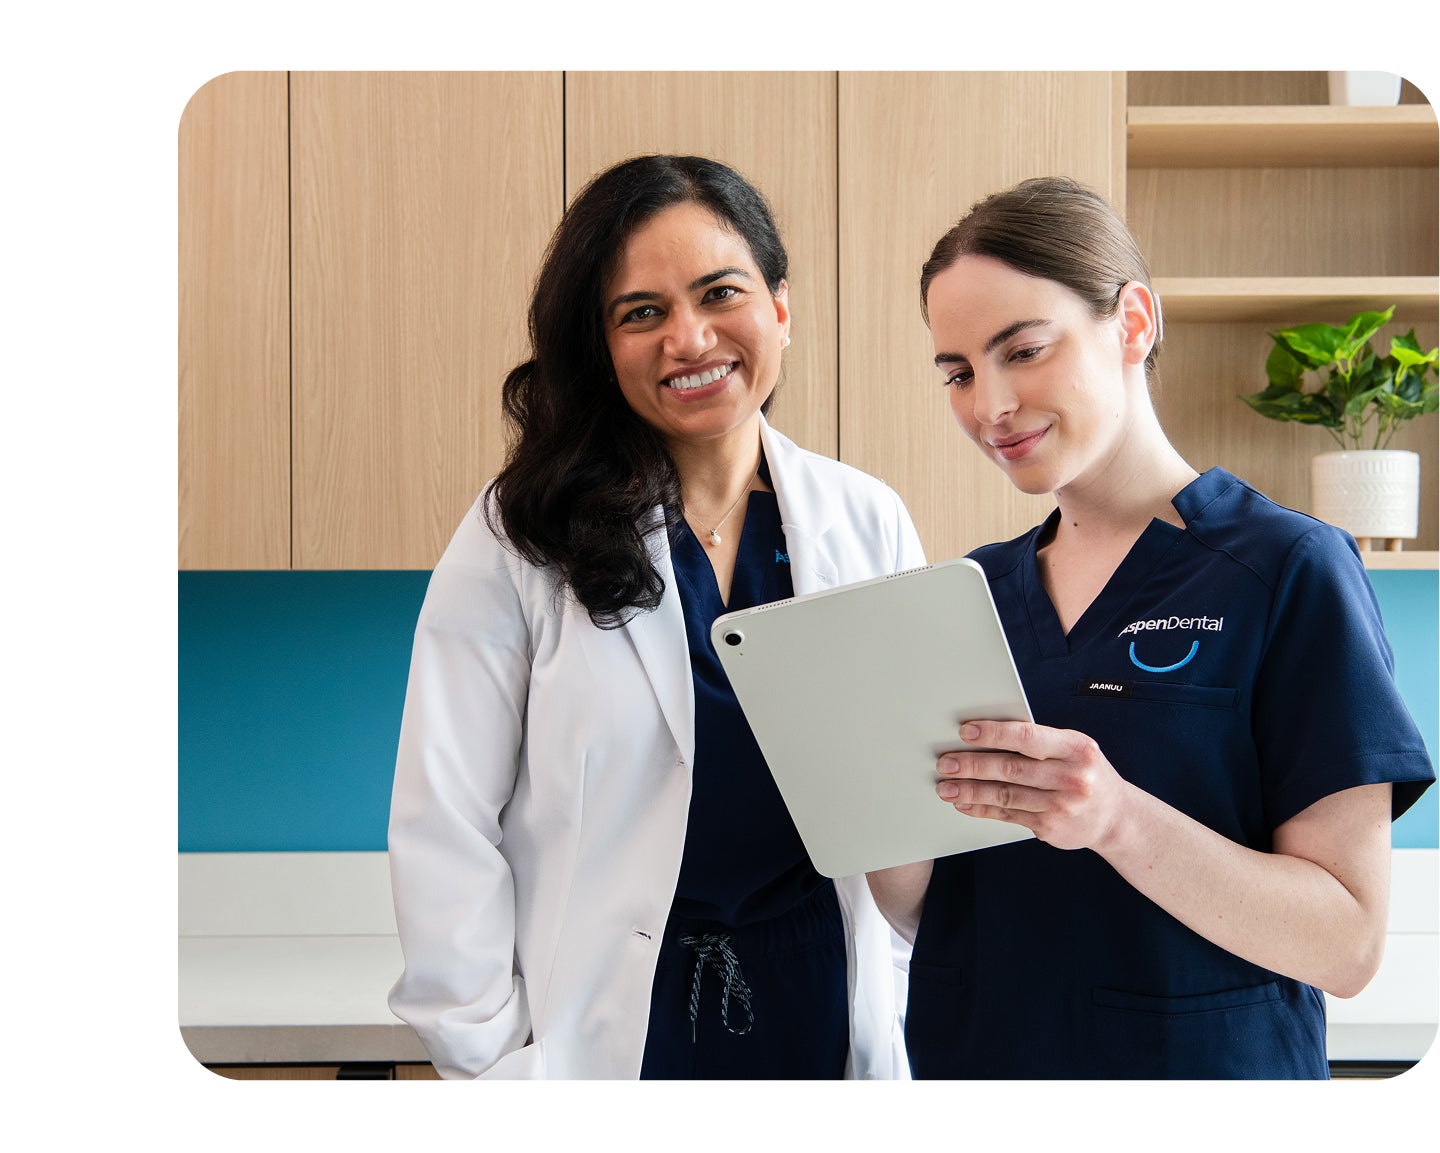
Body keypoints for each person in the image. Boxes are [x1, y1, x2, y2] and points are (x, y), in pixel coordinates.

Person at [867, 176, 1435, 1079]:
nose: (991, 405)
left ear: (1132, 323)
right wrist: (865, 801)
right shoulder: (969, 594)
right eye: (960, 372)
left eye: (1024, 350)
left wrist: (1116, 817)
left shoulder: (1287, 568)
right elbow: (936, 917)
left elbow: (1348, 942)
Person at [386, 154, 925, 1079]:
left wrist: (902, 998)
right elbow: (445, 818)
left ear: (781, 308)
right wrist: (492, 1059)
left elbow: (912, 811)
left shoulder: (865, 520)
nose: (689, 338)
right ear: (602, 346)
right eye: (641, 312)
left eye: (720, 293)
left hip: (820, 1010)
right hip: (609, 1032)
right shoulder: (519, 535)